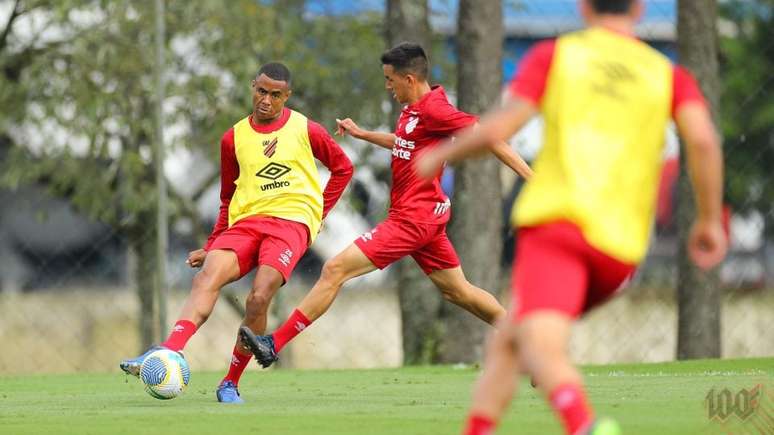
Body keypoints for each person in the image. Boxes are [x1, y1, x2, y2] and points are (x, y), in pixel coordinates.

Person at [416, 1, 727, 433]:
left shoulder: (555, 56)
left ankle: (585, 425)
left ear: (583, 7)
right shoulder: (667, 74)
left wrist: (441, 155)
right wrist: (709, 220)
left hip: (559, 229)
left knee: (542, 344)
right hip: (621, 249)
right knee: (508, 341)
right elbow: (704, 141)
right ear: (639, 8)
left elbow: (497, 128)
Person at [238, 43, 533, 368]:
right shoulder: (415, 109)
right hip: (426, 218)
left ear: (409, 78)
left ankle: (273, 343)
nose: (387, 86)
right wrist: (363, 134)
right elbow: (406, 142)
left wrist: (532, 179)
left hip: (412, 220)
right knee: (459, 292)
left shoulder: (436, 111)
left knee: (334, 269)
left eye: (390, 80)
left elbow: (491, 138)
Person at [119, 62, 354, 404]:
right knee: (206, 277)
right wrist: (212, 245)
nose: (266, 100)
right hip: (246, 223)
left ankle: (230, 382)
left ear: (286, 96)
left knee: (258, 298)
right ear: (252, 87)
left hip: (290, 224)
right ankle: (169, 351)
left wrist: (316, 215)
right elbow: (227, 197)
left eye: (276, 95)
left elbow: (344, 168)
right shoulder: (233, 137)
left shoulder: (307, 129)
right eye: (261, 91)